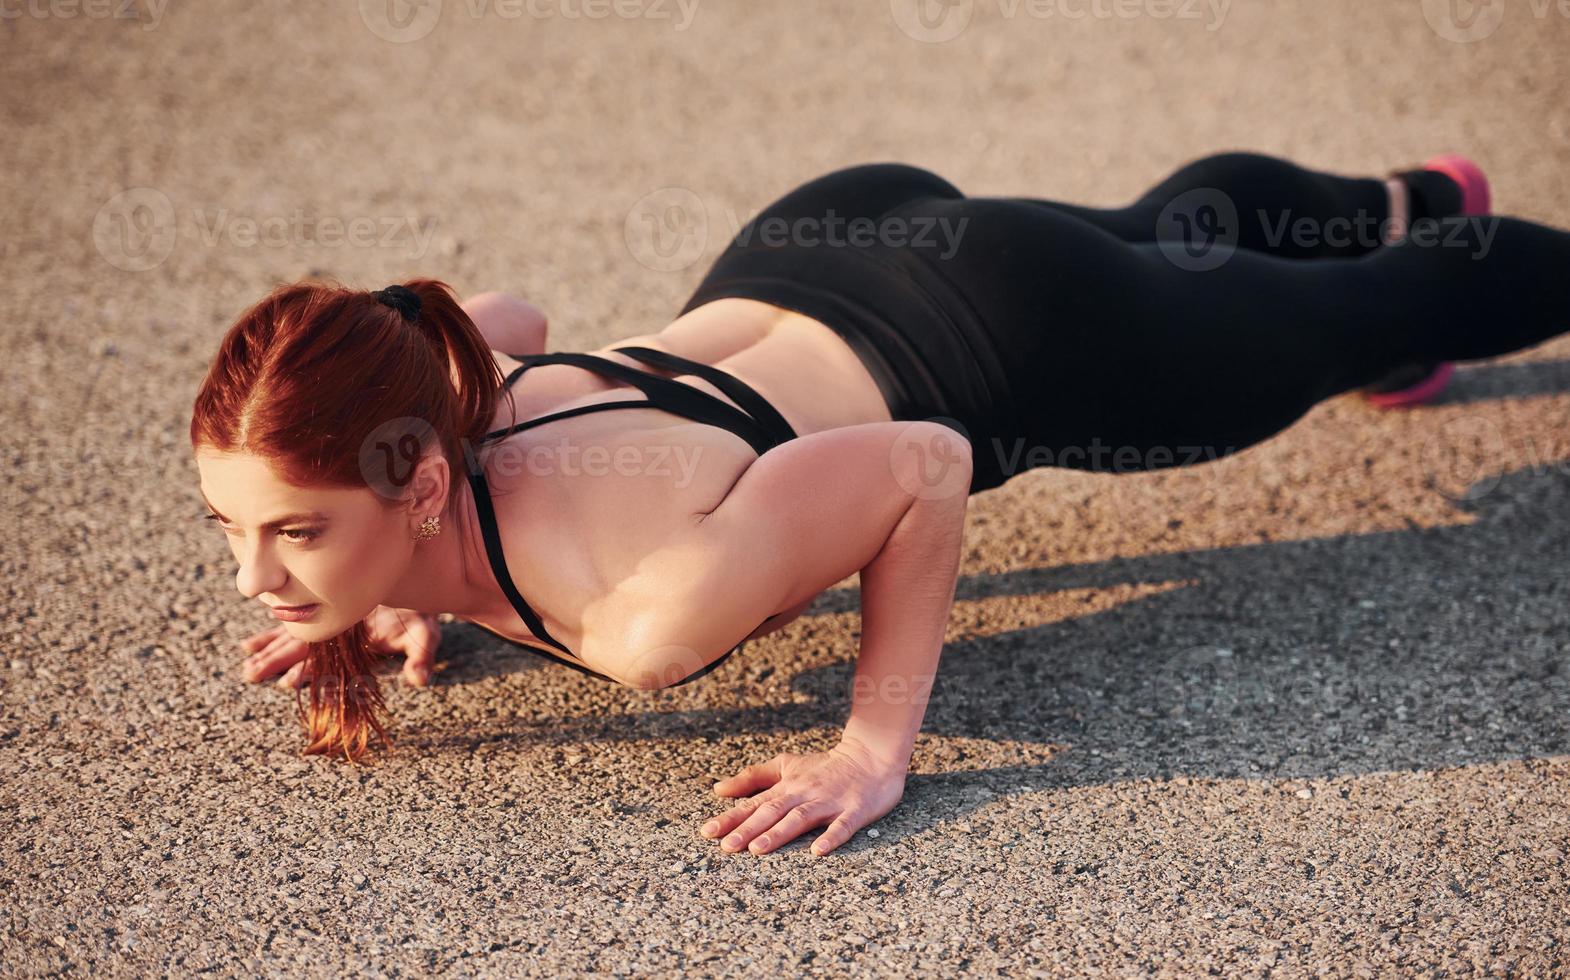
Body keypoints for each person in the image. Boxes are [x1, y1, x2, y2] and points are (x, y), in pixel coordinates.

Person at [192, 150, 1569, 857]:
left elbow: (923, 467)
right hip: (823, 233)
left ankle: (1400, 265)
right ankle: (1399, 197)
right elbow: (506, 315)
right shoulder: (451, 387)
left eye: (296, 529)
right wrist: (390, 579)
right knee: (1163, 240)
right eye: (238, 527)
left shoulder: (637, 611)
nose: (256, 577)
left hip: (1009, 336)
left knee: (1351, 309)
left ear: (418, 481)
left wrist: (870, 743)